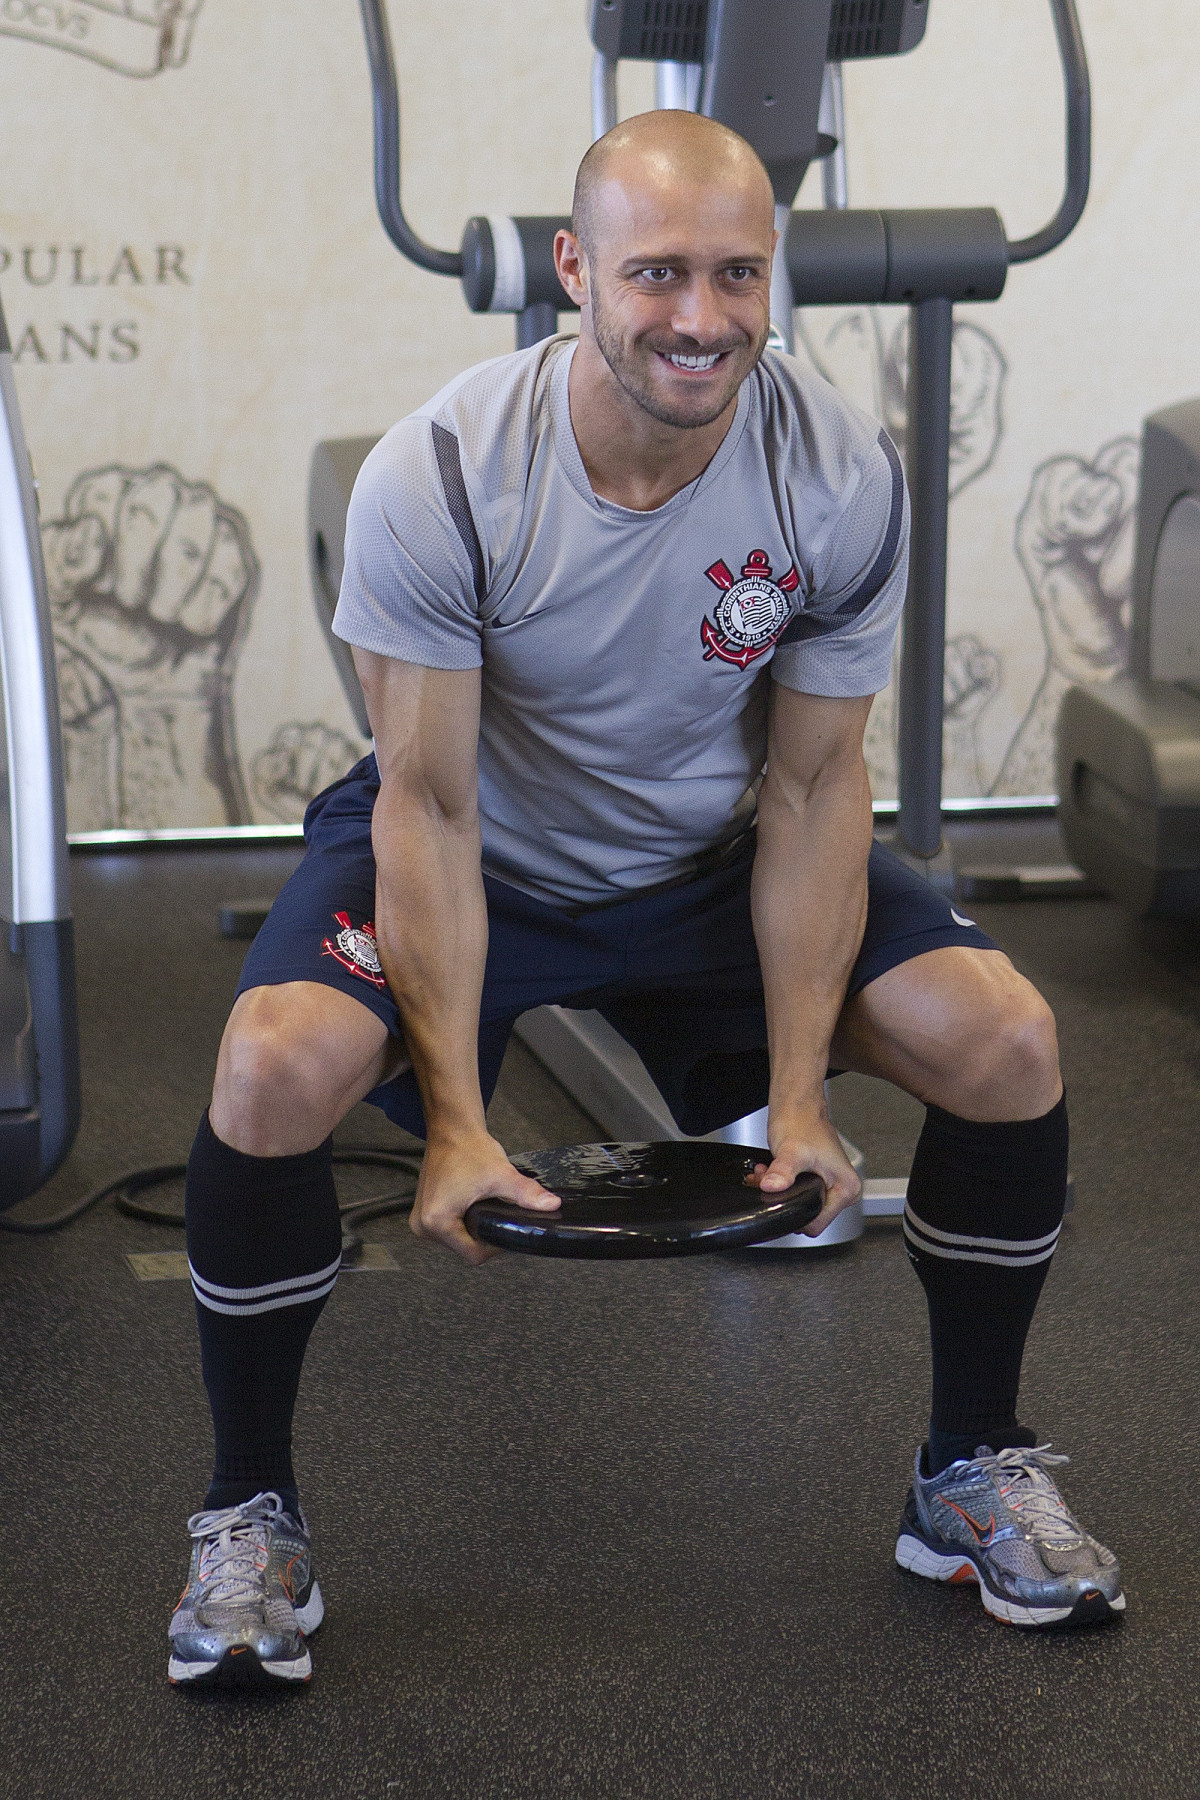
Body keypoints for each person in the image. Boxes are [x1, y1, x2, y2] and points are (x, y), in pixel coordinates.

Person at [167, 111, 1123, 1688]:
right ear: (574, 272)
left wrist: (801, 1103)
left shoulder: (833, 470)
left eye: (737, 273)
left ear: (774, 275)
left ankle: (968, 1470)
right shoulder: (453, 472)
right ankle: (247, 1512)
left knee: (1005, 1043)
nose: (701, 315)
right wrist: (461, 1117)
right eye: (659, 272)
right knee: (271, 1069)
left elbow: (818, 791)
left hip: (713, 856)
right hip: (485, 848)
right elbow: (434, 801)